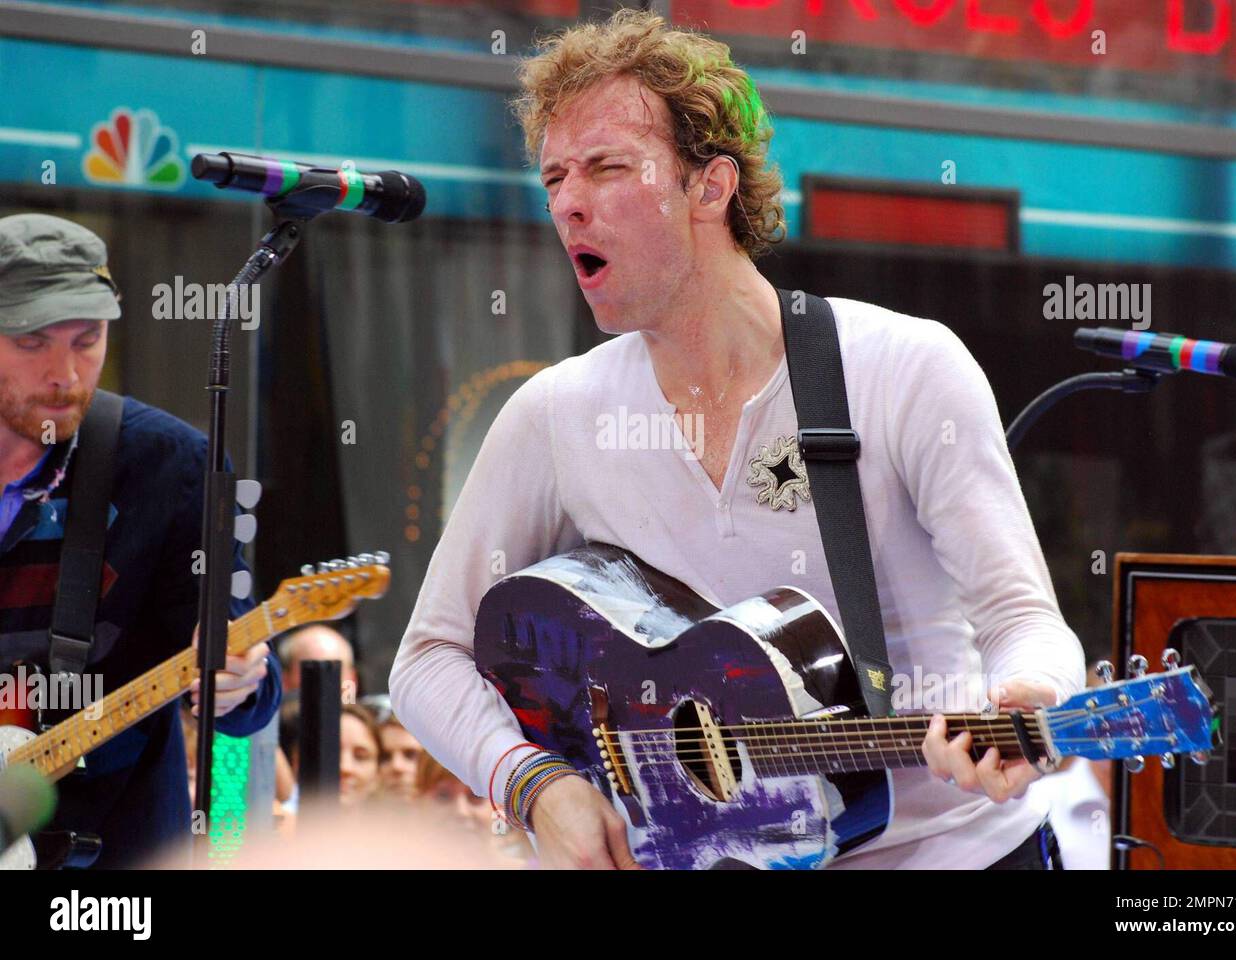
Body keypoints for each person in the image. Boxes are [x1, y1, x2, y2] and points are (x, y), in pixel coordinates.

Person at [390, 10, 1085, 870]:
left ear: (710, 187)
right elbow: (425, 658)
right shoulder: (554, 415)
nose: (568, 201)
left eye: (607, 167)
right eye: (555, 177)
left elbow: (1025, 620)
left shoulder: (905, 368)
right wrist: (535, 785)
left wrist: (1024, 702)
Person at [0, 213, 280, 867]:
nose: (65, 373)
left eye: (87, 339)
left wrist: (242, 684)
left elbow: (240, 684)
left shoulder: (168, 465)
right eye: (33, 340)